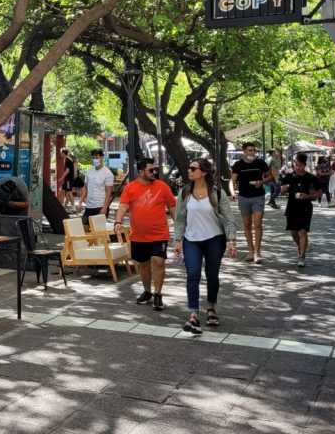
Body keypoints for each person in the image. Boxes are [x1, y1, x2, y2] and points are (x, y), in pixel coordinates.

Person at [172, 159, 237, 334]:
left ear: (204, 172)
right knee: (192, 274)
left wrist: (231, 240)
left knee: (212, 275)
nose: (189, 171)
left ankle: (211, 308)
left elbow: (229, 217)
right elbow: (179, 219)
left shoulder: (216, 192)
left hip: (214, 239)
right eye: (189, 168)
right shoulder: (185, 192)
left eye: (193, 168)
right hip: (191, 240)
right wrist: (177, 240)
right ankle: (193, 314)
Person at [114, 158, 176, 311]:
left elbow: (173, 207)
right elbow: (122, 206)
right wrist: (117, 221)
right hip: (139, 236)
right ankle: (147, 291)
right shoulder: (130, 188)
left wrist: (180, 229)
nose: (154, 172)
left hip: (159, 234)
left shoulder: (162, 186)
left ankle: (158, 294)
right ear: (141, 171)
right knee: (143, 265)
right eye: (150, 170)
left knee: (158, 261)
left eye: (155, 169)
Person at [229, 142, 271, 264]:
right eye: (249, 150)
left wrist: (261, 182)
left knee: (257, 224)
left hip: (258, 196)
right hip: (243, 197)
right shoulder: (238, 165)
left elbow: (270, 177)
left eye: (253, 150)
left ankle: (257, 252)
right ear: (244, 152)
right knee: (247, 225)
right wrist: (232, 193)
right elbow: (232, 181)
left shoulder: (260, 163)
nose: (252, 152)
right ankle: (250, 251)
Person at [280, 153, 322, 267]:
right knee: (294, 232)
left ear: (304, 165)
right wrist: (284, 189)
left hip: (305, 208)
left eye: (300, 165)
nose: (298, 167)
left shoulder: (311, 178)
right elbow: (282, 190)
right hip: (292, 207)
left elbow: (318, 193)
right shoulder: (289, 176)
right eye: (296, 165)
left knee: (302, 231)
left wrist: (307, 196)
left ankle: (302, 256)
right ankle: (300, 247)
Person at [81, 149, 114, 222]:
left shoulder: (107, 173)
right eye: (93, 158)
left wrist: (105, 207)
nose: (95, 160)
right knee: (84, 227)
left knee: (98, 231)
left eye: (97, 157)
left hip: (100, 206)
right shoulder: (89, 171)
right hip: (89, 206)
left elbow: (109, 193)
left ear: (102, 157)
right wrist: (81, 200)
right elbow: (85, 187)